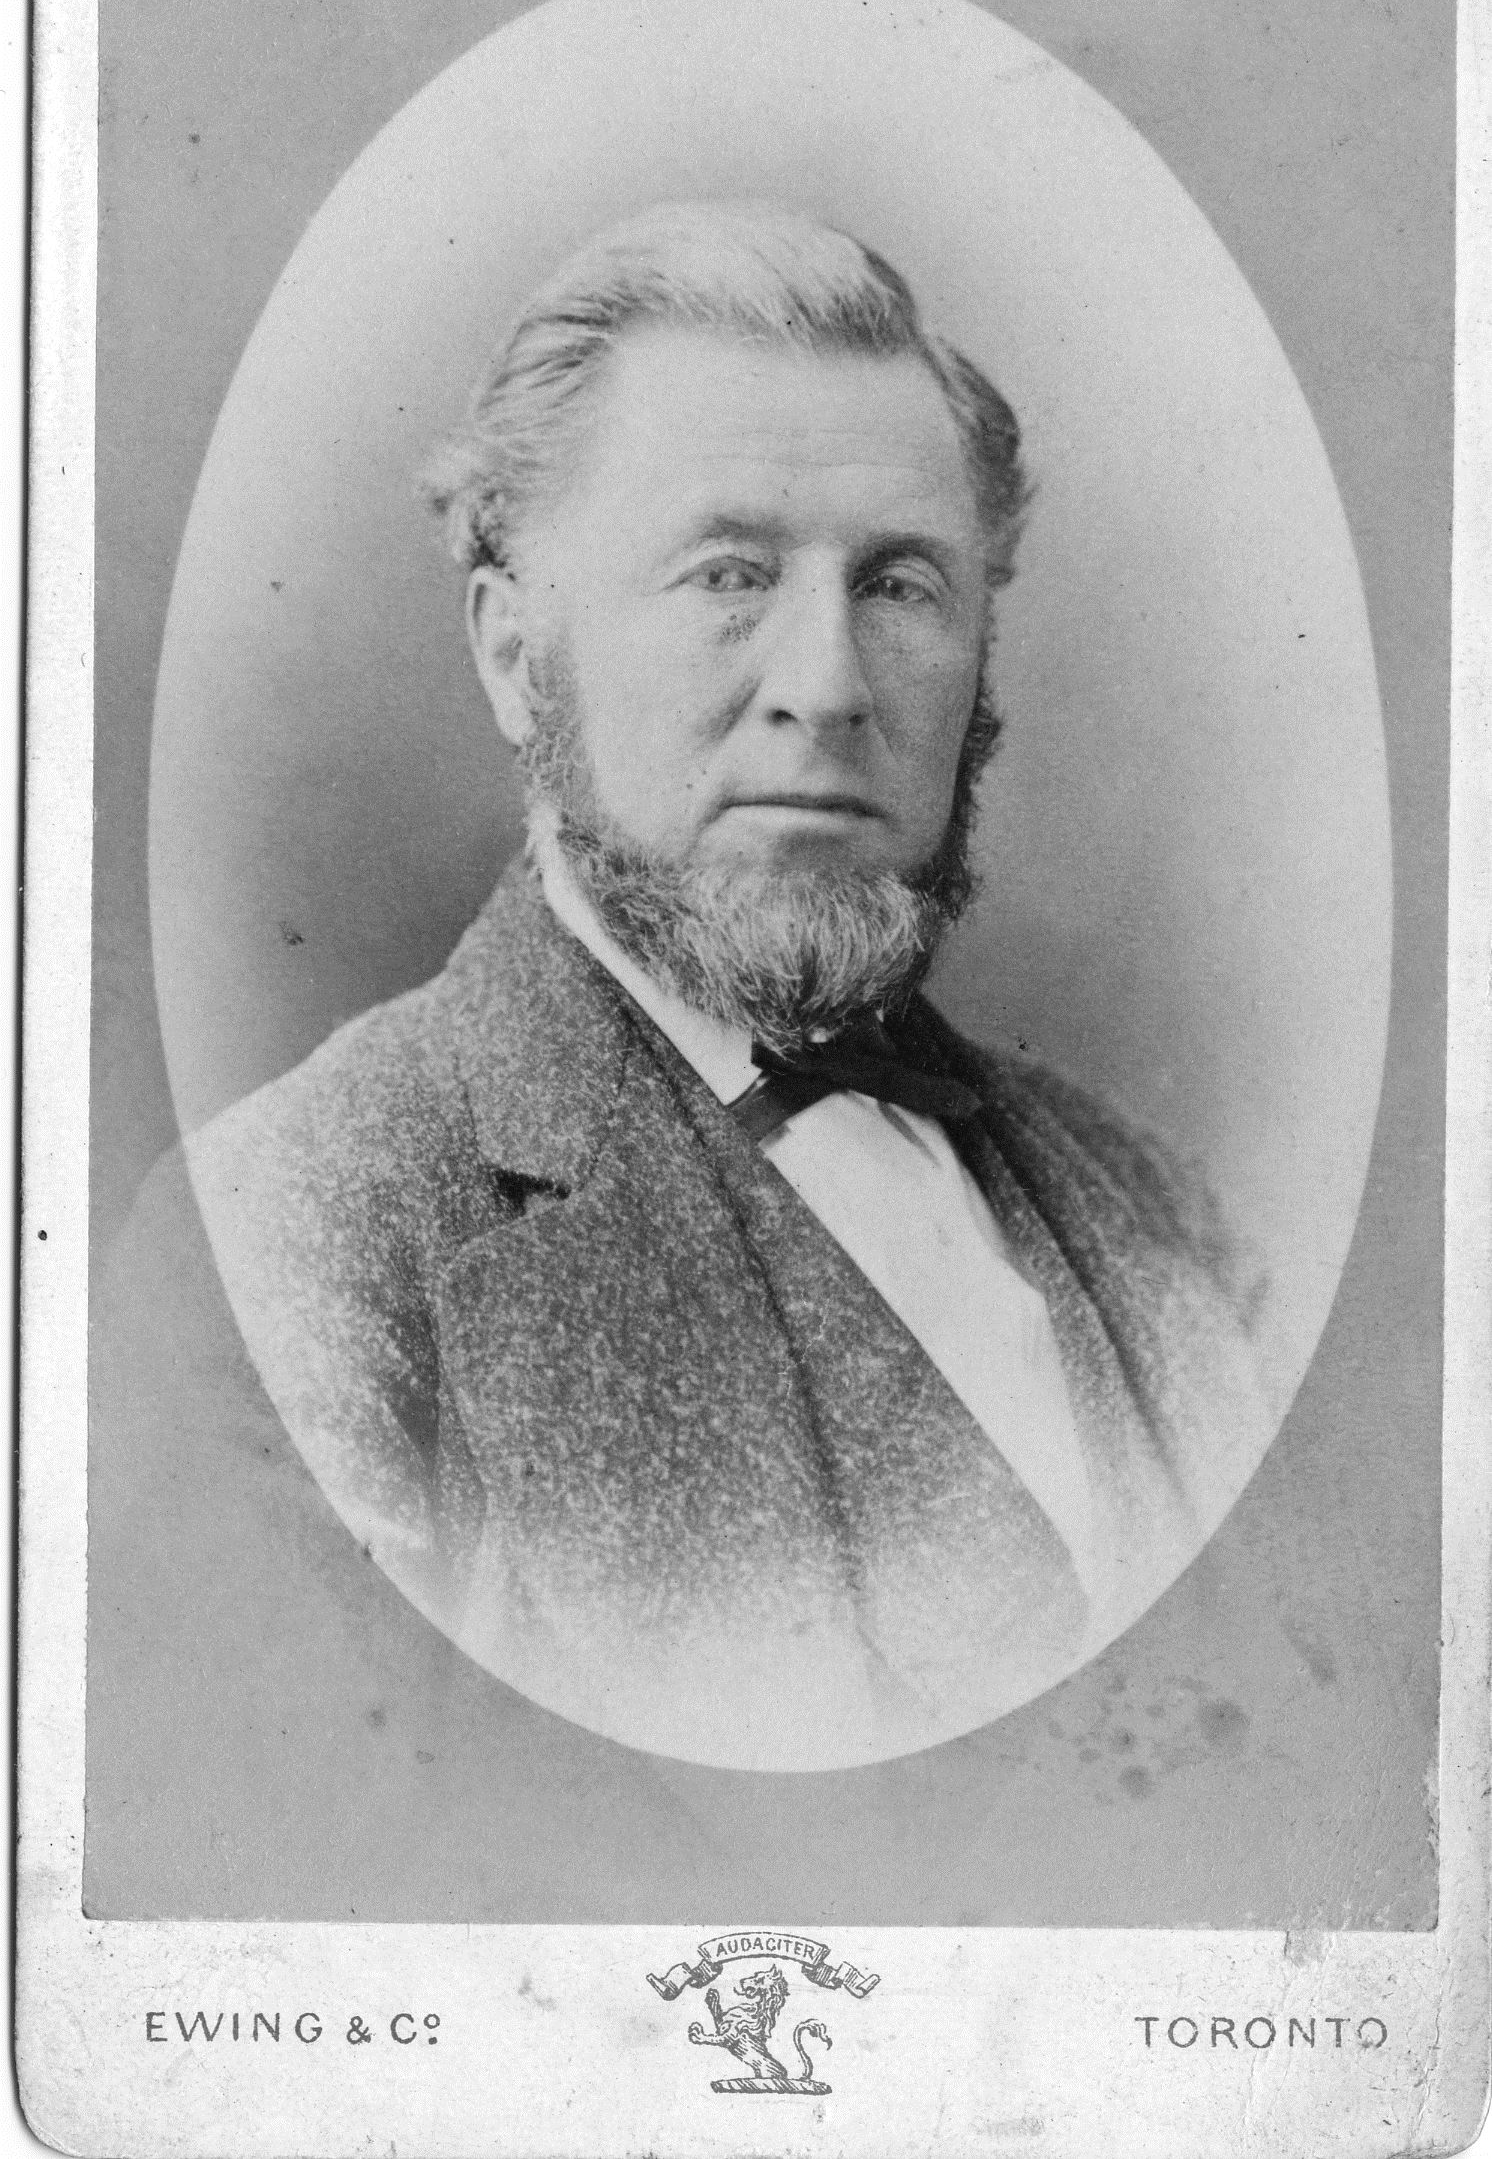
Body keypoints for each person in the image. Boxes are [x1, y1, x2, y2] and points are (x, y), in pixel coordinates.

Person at [180, 202, 1271, 1769]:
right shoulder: (287, 1242)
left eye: (900, 586)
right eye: (726, 573)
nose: (824, 689)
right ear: (514, 653)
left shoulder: (1166, 1215)